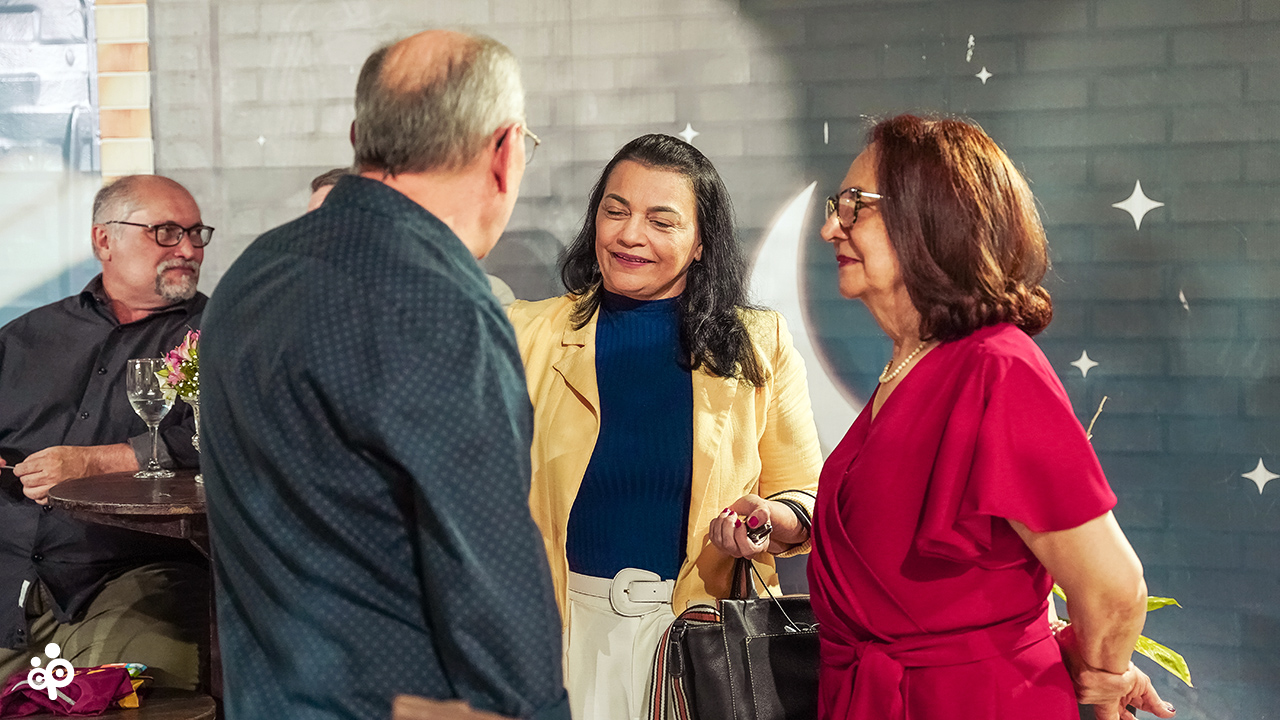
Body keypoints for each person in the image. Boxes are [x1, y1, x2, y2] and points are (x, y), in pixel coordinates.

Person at [200, 30, 569, 720]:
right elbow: (487, 567)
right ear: (505, 151)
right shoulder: (437, 300)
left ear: (358, 137)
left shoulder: (251, 274)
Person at [807, 114, 1177, 720]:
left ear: (932, 216)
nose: (830, 228)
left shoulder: (996, 367)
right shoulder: (911, 365)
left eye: (854, 206)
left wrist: (1104, 677)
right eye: (834, 207)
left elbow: (1115, 587)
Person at [507, 133, 822, 720]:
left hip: (701, 642)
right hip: (558, 637)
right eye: (616, 211)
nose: (630, 235)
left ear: (701, 242)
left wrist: (765, 520)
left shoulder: (761, 343)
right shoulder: (523, 334)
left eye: (661, 221)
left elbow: (805, 497)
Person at [0, 174, 211, 689]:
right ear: (104, 240)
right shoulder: (25, 337)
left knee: (151, 692)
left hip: (133, 581)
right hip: (9, 577)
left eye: (195, 234)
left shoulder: (220, 335)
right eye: (166, 232)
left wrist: (95, 462)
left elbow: (226, 437)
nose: (187, 249)